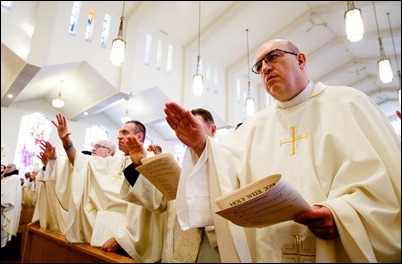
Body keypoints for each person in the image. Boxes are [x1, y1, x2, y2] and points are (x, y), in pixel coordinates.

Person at [164, 39, 401, 262]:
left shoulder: (349, 103)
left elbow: (386, 184)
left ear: (300, 60)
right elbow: (225, 173)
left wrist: (342, 216)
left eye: (273, 57)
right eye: (259, 66)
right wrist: (201, 145)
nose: (265, 68)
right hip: (271, 250)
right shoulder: (254, 126)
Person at [50, 113, 165, 262]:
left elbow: (149, 205)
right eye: (118, 133)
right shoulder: (113, 161)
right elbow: (81, 163)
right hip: (103, 229)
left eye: (124, 132)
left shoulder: (150, 159)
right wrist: (66, 140)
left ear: (139, 136)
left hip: (130, 237)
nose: (118, 136)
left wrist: (122, 238)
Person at [120, 107, 219, 263]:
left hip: (210, 250)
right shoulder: (178, 166)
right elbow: (158, 202)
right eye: (184, 128)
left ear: (212, 129)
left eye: (193, 126)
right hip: (175, 244)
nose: (188, 132)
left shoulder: (225, 162)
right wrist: (139, 164)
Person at [1, 163, 22, 252]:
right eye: (7, 167)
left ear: (14, 169)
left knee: (4, 228)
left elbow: (10, 195)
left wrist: (3, 202)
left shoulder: (15, 178)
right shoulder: (6, 178)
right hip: (2, 207)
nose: (6, 169)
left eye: (9, 167)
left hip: (7, 208)